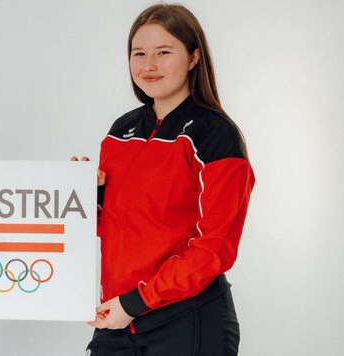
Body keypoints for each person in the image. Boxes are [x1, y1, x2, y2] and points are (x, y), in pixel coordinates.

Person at [82, 4, 255, 355]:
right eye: (139, 53)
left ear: (193, 58)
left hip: (187, 319)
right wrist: (84, 196)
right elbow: (117, 228)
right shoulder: (120, 132)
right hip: (117, 318)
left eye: (164, 52)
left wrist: (136, 301)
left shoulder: (216, 135)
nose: (148, 65)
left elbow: (214, 249)